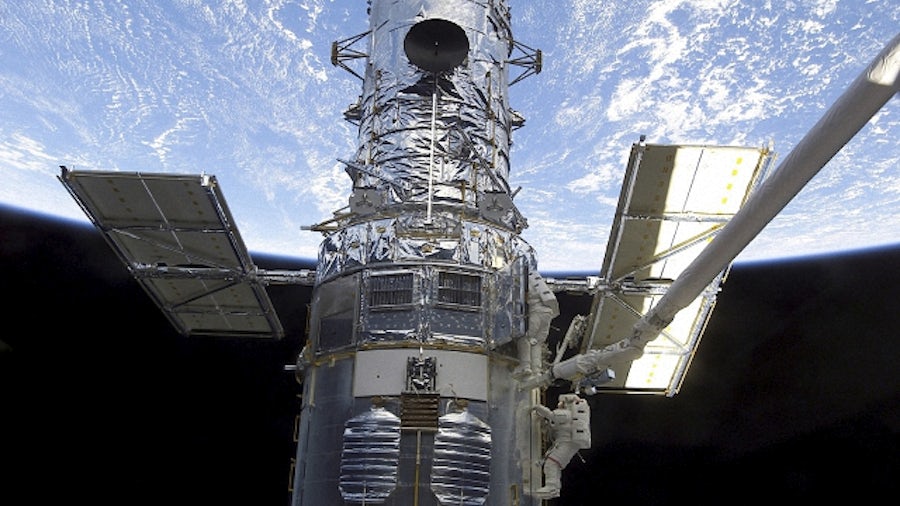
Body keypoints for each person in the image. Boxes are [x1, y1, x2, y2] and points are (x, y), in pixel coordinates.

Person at [532, 393, 591, 499]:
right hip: (568, 444)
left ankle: (551, 487)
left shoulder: (566, 414)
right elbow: (553, 428)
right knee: (555, 464)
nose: (559, 404)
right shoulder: (573, 417)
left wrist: (536, 407)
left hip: (566, 444)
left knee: (552, 463)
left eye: (561, 402)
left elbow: (551, 415)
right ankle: (554, 489)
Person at [514, 270, 559, 379]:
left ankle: (525, 367)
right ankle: (537, 372)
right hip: (548, 314)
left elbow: (524, 296)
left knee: (525, 337)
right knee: (537, 342)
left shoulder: (524, 279)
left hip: (537, 312)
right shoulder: (537, 280)